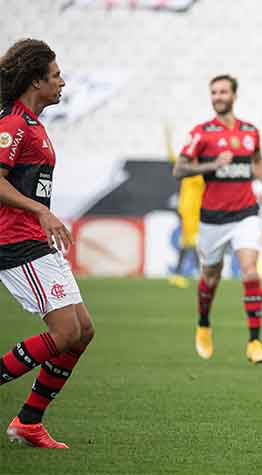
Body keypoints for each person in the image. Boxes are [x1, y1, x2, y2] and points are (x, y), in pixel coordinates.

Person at [0, 38, 94, 448]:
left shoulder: (34, 125)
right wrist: (40, 211)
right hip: (15, 241)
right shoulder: (13, 126)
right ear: (35, 80)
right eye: (55, 76)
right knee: (64, 331)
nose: (62, 83)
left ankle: (29, 422)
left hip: (35, 239)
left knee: (83, 331)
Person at [173, 74, 262, 364]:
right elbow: (179, 169)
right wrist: (212, 164)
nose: (217, 96)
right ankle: (203, 323)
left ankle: (254, 342)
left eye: (222, 91)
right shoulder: (202, 133)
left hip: (246, 214)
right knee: (210, 277)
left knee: (250, 271)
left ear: (233, 95)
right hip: (213, 220)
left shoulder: (250, 131)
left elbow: (257, 161)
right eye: (213, 92)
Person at [165, 125, 204, 289]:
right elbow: (173, 158)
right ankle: (197, 275)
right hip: (186, 214)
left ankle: (181, 274)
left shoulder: (199, 174)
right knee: (189, 244)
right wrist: (168, 139)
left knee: (190, 244)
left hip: (194, 215)